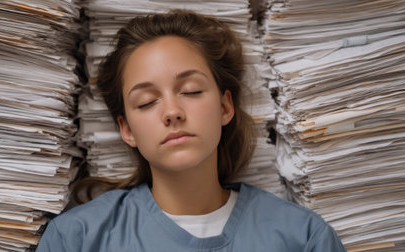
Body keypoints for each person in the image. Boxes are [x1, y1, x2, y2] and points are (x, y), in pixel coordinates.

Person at [36, 10, 346, 251]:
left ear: (225, 107)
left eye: (192, 91)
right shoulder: (75, 239)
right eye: (146, 102)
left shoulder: (304, 238)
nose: (172, 112)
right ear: (127, 129)